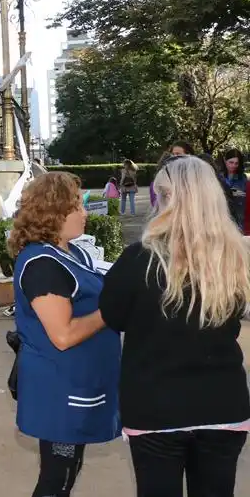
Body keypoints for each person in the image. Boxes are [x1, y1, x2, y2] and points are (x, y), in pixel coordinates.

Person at [99, 155, 249, 497]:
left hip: (155, 407)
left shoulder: (139, 259)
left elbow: (112, 316)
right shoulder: (234, 256)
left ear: (165, 198)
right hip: (223, 404)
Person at [8, 172, 121, 497]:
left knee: (67, 474)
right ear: (54, 212)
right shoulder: (42, 264)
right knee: (57, 479)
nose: (85, 213)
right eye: (77, 207)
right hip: (61, 391)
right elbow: (63, 335)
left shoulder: (73, 253)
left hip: (80, 384)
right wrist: (111, 309)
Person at [221, 148, 246, 229]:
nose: (233, 166)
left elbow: (241, 194)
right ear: (225, 161)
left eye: (236, 163)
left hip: (237, 216)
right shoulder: (219, 176)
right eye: (231, 162)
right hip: (221, 214)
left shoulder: (241, 177)